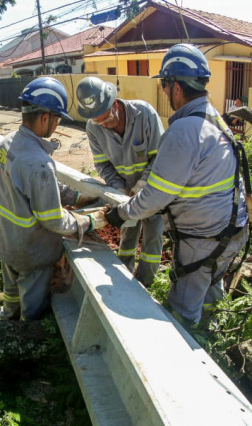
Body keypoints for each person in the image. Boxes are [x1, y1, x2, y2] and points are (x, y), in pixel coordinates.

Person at [102, 44, 251, 326]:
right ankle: (212, 344)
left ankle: (193, 352)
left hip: (203, 240)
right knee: (209, 295)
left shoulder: (184, 130)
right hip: (231, 232)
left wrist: (120, 214)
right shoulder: (214, 118)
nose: (165, 92)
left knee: (182, 312)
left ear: (176, 87)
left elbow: (155, 196)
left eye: (165, 85)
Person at [0, 76, 108, 320]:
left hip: (6, 240)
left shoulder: (8, 144)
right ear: (46, 117)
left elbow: (35, 186)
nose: (56, 125)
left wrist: (76, 196)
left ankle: (5, 322)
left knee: (11, 292)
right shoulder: (39, 163)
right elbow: (54, 221)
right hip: (30, 251)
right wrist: (88, 222)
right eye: (57, 119)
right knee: (32, 309)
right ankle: (25, 340)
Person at [76, 76, 165, 286]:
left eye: (106, 119)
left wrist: (141, 186)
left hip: (151, 189)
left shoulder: (144, 114)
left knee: (153, 236)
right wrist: (119, 190)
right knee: (128, 234)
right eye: (99, 122)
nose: (104, 125)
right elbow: (103, 166)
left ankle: (146, 283)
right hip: (123, 192)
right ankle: (124, 277)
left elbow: (160, 158)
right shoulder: (94, 127)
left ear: (114, 103)